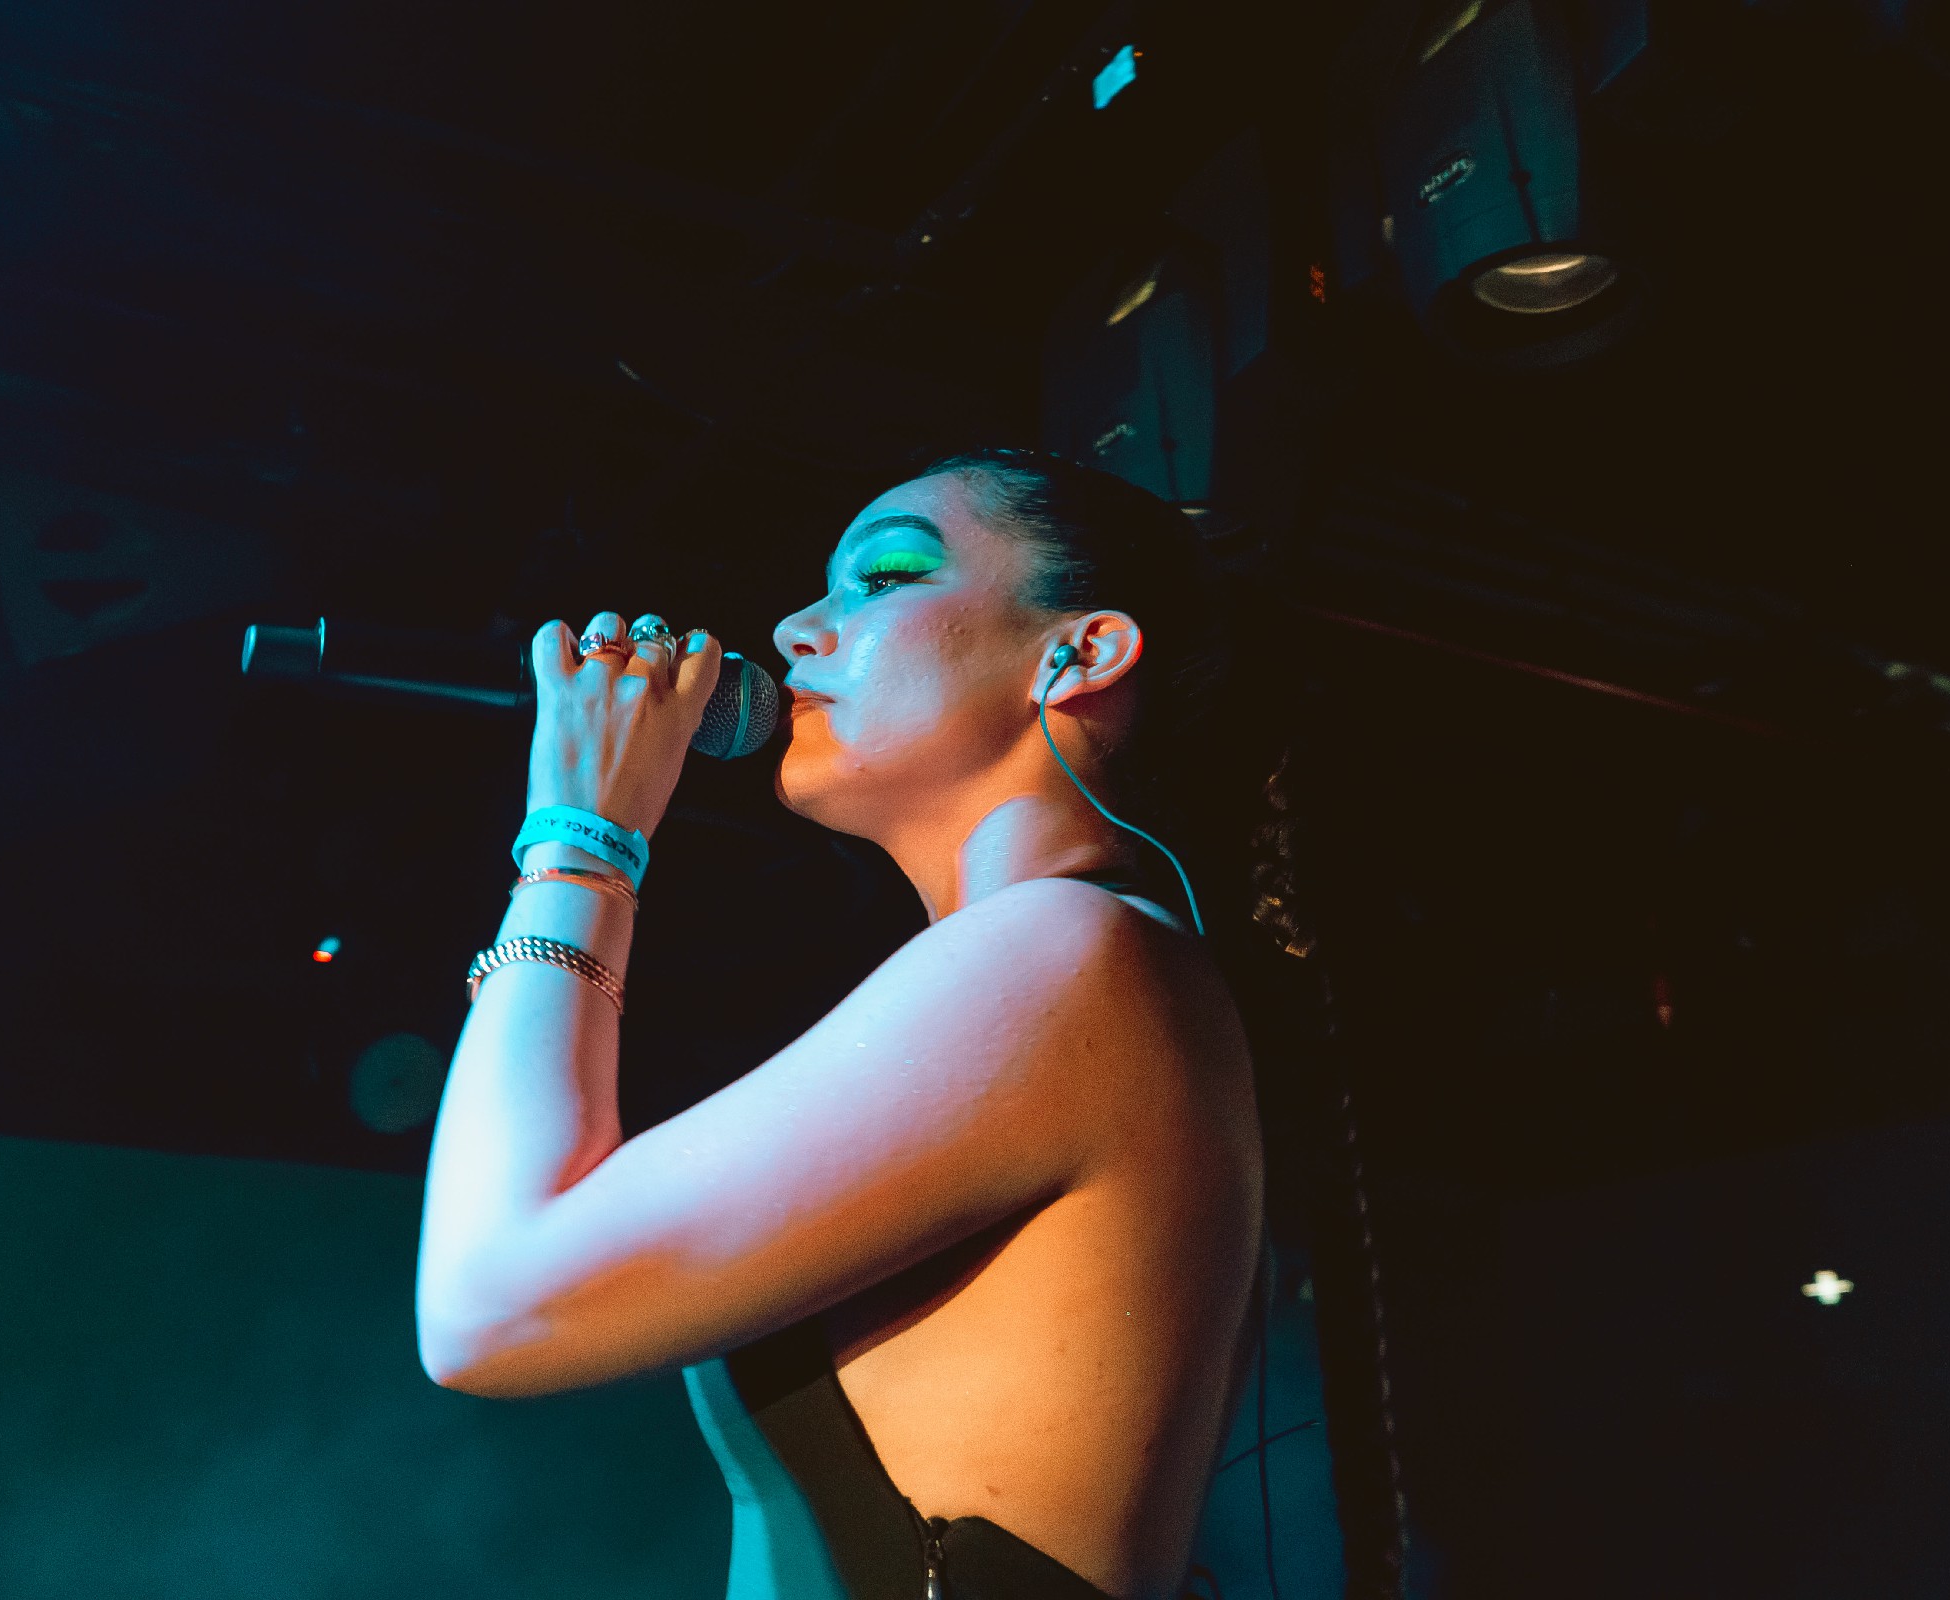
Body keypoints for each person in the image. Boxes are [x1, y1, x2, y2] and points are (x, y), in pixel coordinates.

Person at [416, 448, 1303, 1600]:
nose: (794, 629)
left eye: (883, 578)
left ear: (1082, 653)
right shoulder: (1077, 959)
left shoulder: (1069, 951)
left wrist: (580, 838)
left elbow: (491, 1304)